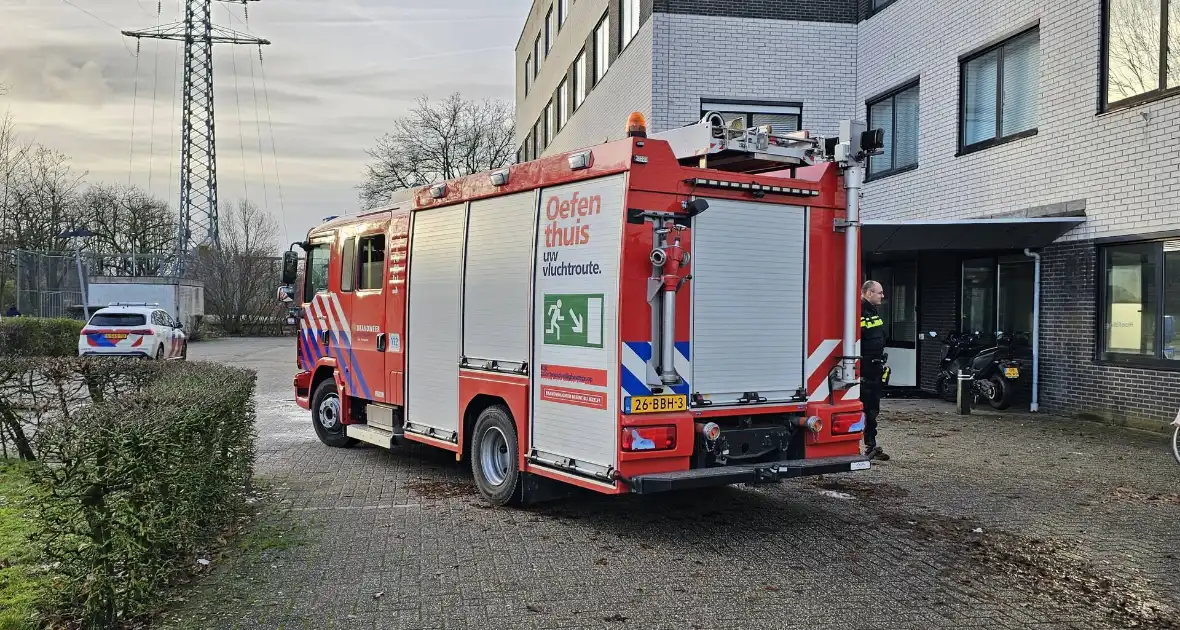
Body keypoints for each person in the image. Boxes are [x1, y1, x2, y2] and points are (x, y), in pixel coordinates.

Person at [860, 280, 890, 461]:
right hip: (865, 369)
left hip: (874, 367)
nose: (882, 295)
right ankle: (868, 445)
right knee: (867, 408)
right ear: (869, 293)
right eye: (879, 292)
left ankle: (871, 445)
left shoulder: (872, 311)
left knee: (873, 408)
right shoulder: (859, 311)